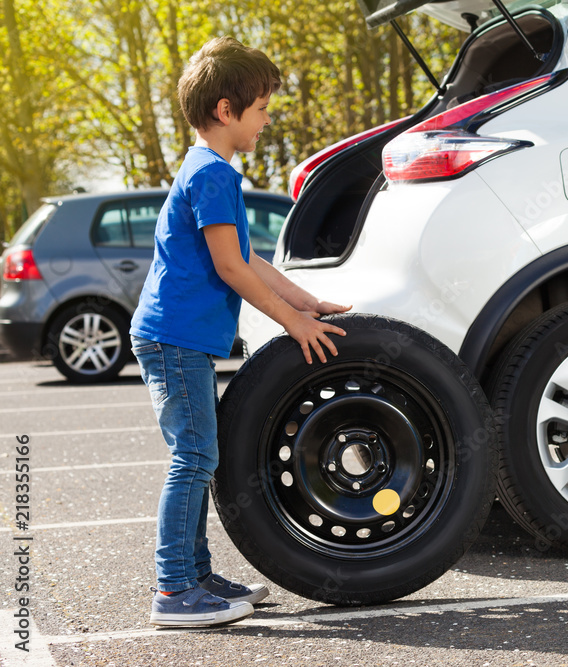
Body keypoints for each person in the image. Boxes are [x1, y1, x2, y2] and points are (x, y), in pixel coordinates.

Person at [130, 36, 350, 626]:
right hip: (175, 337)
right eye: (260, 108)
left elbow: (247, 260)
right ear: (226, 110)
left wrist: (308, 300)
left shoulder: (210, 168)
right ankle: (174, 590)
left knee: (199, 455)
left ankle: (197, 575)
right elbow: (228, 267)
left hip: (177, 336)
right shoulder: (213, 174)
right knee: (194, 458)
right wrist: (292, 323)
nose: (267, 118)